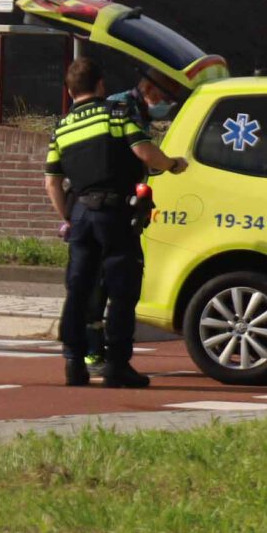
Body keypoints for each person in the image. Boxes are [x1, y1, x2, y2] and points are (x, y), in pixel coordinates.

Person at [45, 58, 185, 388]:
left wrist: (68, 215)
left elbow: (51, 182)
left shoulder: (61, 128)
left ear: (69, 90)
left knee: (79, 289)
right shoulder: (116, 115)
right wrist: (173, 165)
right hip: (114, 213)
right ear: (101, 85)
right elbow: (145, 152)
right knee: (122, 290)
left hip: (80, 214)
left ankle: (74, 363)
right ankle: (117, 366)